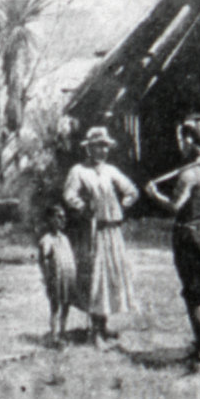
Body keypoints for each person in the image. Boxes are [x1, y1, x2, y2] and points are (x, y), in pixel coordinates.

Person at [143, 120, 200, 366]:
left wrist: (154, 194)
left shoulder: (189, 173)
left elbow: (175, 207)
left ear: (190, 140)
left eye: (181, 139)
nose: (180, 145)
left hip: (187, 235)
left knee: (194, 294)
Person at [63, 126, 139, 345]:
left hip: (112, 230)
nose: (102, 151)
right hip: (92, 231)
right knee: (95, 278)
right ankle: (94, 331)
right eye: (98, 146)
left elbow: (131, 190)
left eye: (105, 147)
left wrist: (124, 203)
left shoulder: (111, 171)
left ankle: (103, 326)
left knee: (109, 278)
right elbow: (69, 195)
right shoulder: (78, 171)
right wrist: (83, 207)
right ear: (89, 148)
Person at [37, 204, 78, 347]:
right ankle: (54, 336)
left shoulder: (65, 239)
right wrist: (47, 277)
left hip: (67, 277)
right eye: (58, 217)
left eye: (63, 217)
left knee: (66, 304)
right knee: (55, 306)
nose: (62, 220)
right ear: (50, 219)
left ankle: (63, 331)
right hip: (55, 278)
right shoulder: (46, 240)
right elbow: (43, 260)